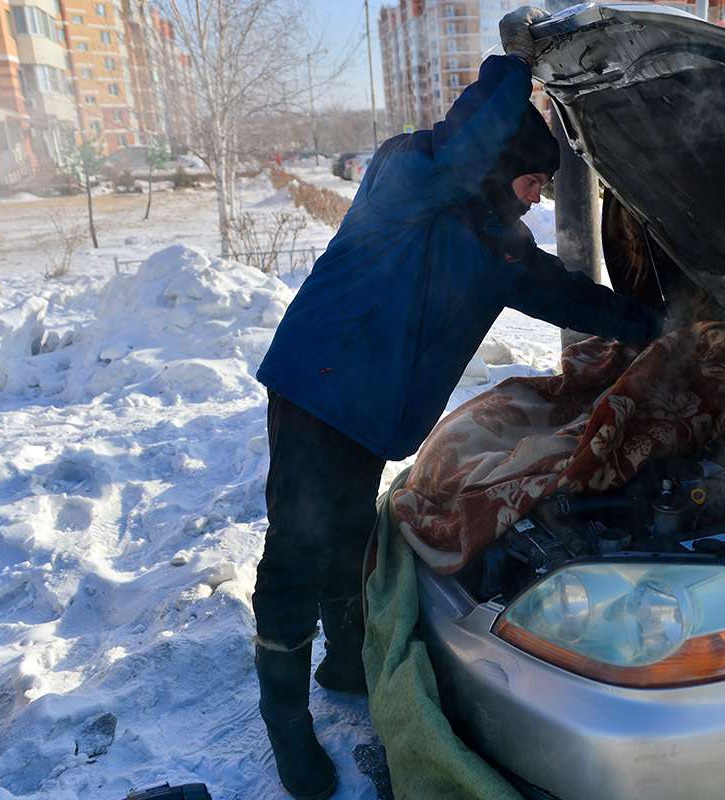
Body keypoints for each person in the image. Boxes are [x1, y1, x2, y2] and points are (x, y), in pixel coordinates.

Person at [250, 7, 657, 798]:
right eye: (536, 183)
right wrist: (520, 70)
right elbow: (468, 140)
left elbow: (565, 295)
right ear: (503, 161)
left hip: (368, 411)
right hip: (316, 387)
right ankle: (286, 726)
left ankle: (342, 658)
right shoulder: (413, 176)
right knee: (299, 549)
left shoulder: (497, 244)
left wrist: (656, 326)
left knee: (345, 530)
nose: (538, 201)